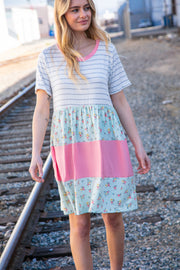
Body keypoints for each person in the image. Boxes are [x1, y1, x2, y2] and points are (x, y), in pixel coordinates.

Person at [29, 0, 151, 269]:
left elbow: (120, 100)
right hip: (70, 146)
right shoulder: (48, 57)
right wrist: (35, 153)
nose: (83, 14)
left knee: (113, 219)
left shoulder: (106, 48)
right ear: (62, 14)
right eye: (75, 9)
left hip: (108, 143)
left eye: (86, 7)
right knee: (80, 225)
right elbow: (41, 109)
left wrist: (138, 145)